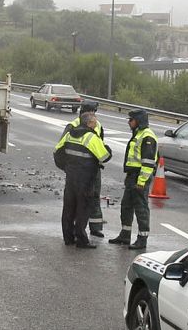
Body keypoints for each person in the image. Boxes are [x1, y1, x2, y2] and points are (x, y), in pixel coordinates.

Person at [53, 108, 112, 248]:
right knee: (83, 209)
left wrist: (66, 167)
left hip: (71, 177)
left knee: (68, 208)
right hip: (85, 179)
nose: (96, 125)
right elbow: (105, 157)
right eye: (95, 123)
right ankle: (81, 240)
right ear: (90, 124)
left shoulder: (70, 134)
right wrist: (107, 148)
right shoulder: (91, 137)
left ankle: (68, 238)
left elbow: (57, 152)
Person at [108, 108, 159, 250]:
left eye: (131, 120)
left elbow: (148, 163)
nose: (129, 122)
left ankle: (142, 239)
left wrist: (141, 182)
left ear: (139, 121)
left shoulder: (147, 137)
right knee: (126, 206)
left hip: (139, 178)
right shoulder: (139, 133)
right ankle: (125, 235)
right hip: (132, 177)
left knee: (141, 208)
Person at [62, 101, 108, 238]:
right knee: (77, 201)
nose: (94, 115)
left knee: (93, 197)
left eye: (95, 112)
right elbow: (63, 146)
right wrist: (68, 166)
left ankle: (95, 227)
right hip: (77, 170)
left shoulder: (97, 124)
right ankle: (77, 230)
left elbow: (100, 143)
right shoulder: (73, 125)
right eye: (92, 112)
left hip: (93, 168)